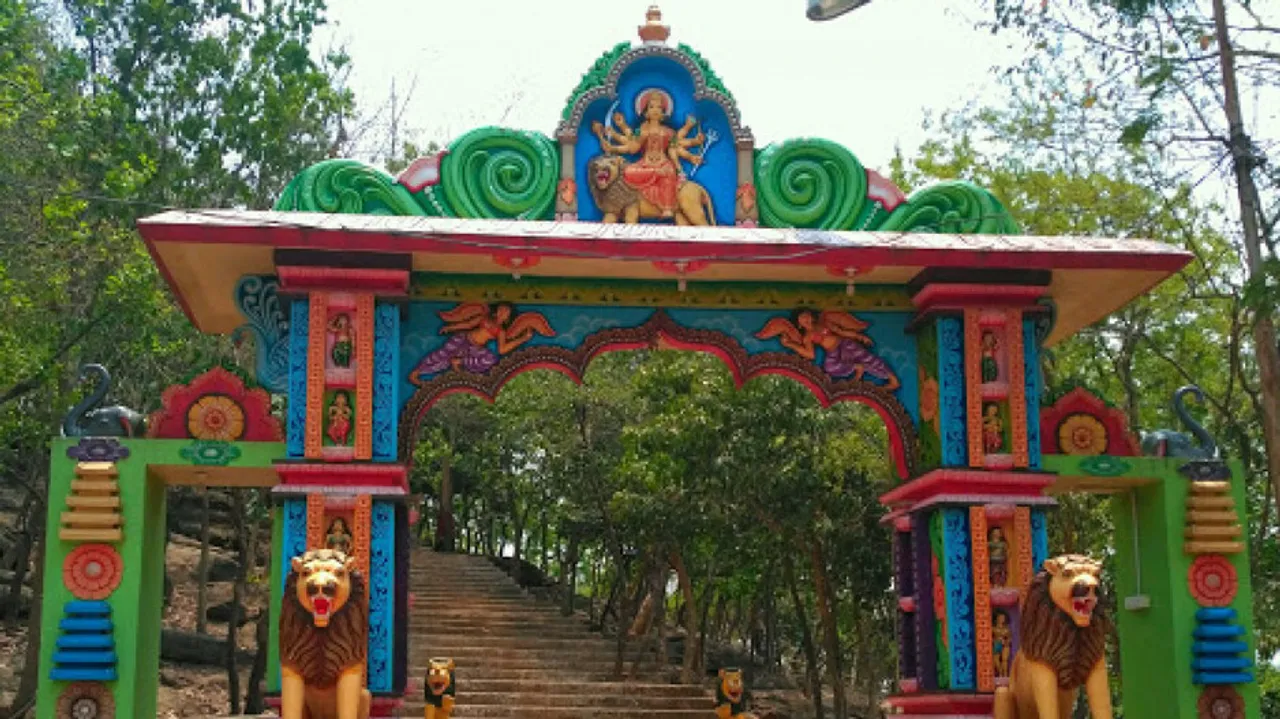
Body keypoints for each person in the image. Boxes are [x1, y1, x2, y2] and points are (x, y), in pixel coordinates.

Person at [591, 89, 706, 217]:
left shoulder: (669, 132)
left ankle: (667, 207)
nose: (655, 110)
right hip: (644, 165)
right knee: (628, 172)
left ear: (664, 112)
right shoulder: (640, 131)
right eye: (651, 107)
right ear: (646, 112)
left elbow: (677, 148)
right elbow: (632, 148)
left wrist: (693, 149)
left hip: (663, 164)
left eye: (659, 107)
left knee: (668, 173)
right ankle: (646, 184)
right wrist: (613, 148)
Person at [992, 610, 1012, 678]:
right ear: (996, 618)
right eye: (1000, 618)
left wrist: (1006, 642)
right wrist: (995, 641)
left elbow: (1010, 638)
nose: (1002, 619)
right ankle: (1000, 672)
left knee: (1005, 660)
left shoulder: (1006, 629)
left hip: (1005, 645)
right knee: (995, 660)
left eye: (1003, 618)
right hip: (997, 644)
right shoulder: (993, 628)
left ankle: (1005, 674)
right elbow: (989, 638)